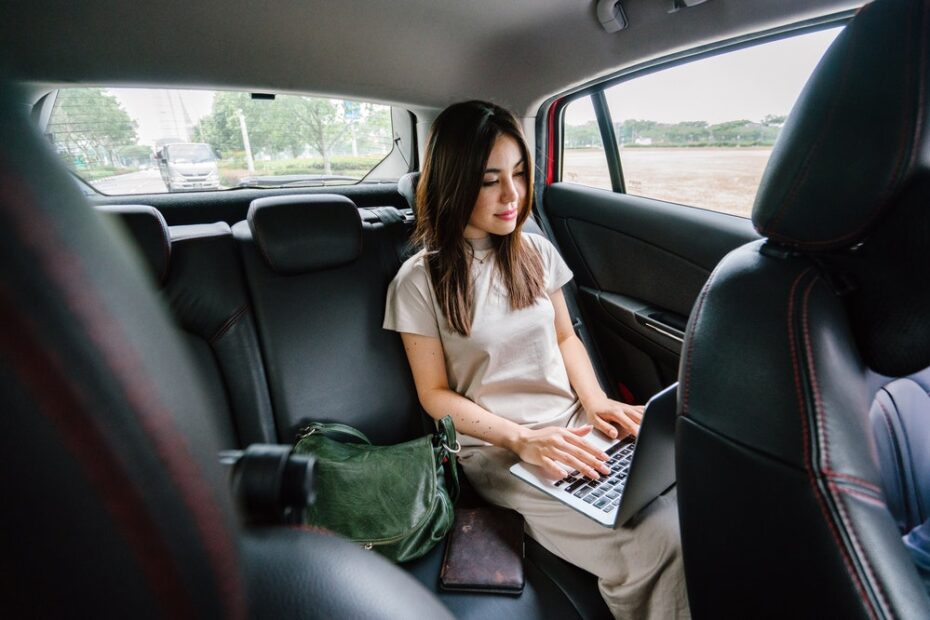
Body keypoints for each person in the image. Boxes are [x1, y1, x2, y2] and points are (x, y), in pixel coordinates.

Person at [383, 100, 689, 619]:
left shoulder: (536, 251)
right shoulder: (419, 280)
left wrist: (597, 403)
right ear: (455, 184)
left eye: (520, 174)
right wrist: (522, 439)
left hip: (572, 426)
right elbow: (434, 395)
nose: (513, 195)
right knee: (656, 544)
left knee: (695, 491)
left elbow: (567, 338)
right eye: (489, 180)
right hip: (499, 452)